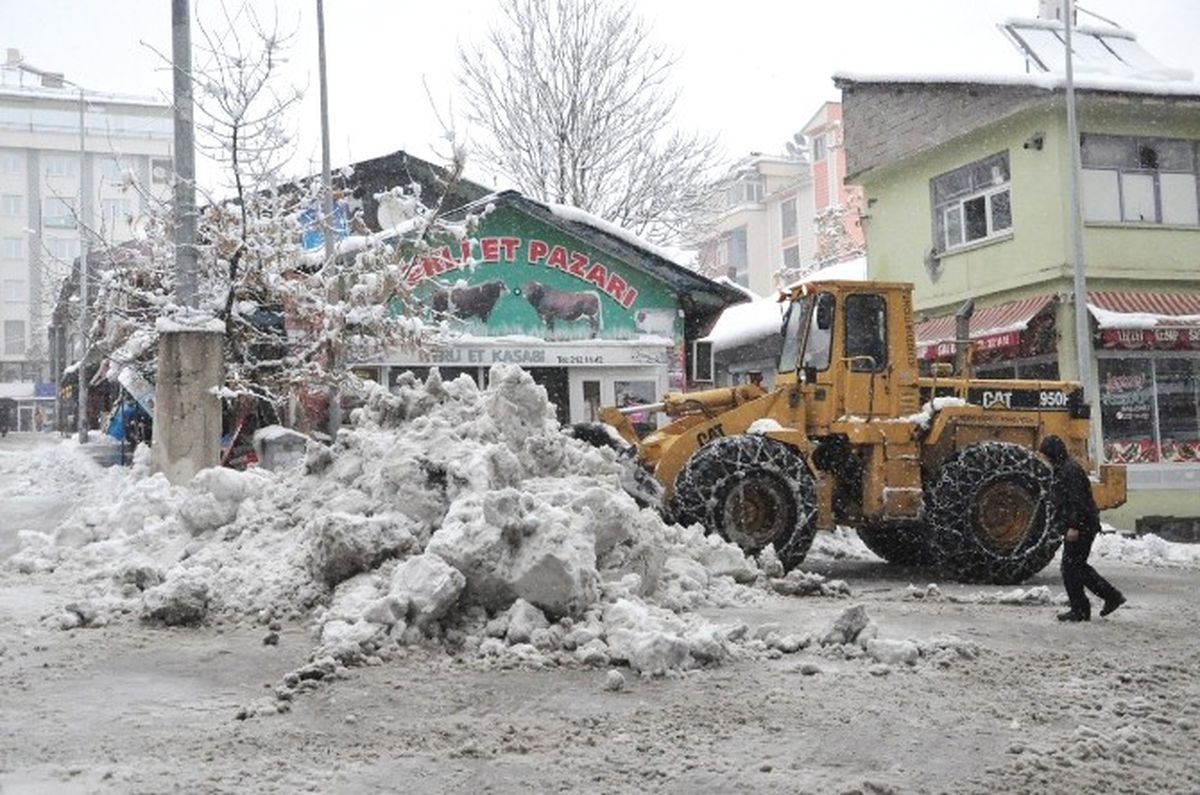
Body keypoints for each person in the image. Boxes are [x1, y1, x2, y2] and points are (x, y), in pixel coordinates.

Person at [1039, 435, 1126, 622]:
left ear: (1053, 453)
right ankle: (1096, 602)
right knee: (1075, 567)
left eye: (1046, 455)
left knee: (1071, 567)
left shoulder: (1068, 471)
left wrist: (1073, 526)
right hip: (1084, 524)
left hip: (1081, 526)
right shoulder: (1065, 467)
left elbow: (1076, 502)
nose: (1045, 459)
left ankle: (1089, 605)